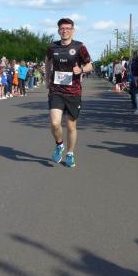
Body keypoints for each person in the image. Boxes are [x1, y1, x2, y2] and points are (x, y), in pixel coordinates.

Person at [44, 18, 93, 168]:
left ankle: (70, 153)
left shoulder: (79, 47)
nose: (65, 31)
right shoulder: (52, 47)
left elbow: (90, 65)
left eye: (68, 28)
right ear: (58, 30)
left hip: (73, 91)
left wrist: (82, 69)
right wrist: (47, 78)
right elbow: (47, 61)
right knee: (55, 123)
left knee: (71, 126)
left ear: (73, 30)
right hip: (56, 90)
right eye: (62, 28)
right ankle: (59, 144)